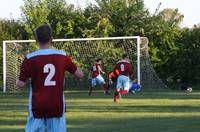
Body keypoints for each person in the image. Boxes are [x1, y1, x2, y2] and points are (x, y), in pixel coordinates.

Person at [16, 24, 84, 132]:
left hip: (37, 103)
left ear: (36, 39)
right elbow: (80, 74)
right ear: (51, 38)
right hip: (56, 102)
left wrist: (29, 77)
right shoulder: (62, 56)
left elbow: (20, 84)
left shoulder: (30, 58)